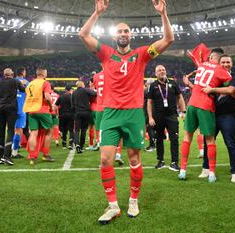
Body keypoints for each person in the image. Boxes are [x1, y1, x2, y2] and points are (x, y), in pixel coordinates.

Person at [78, 0, 174, 224]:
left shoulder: (142, 54)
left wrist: (163, 13)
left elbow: (168, 39)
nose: (123, 33)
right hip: (111, 113)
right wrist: (97, 12)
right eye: (120, 31)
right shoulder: (106, 53)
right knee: (104, 160)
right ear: (115, 36)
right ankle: (113, 206)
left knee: (134, 159)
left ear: (131, 35)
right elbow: (83, 34)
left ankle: (133, 200)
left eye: (126, 31)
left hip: (132, 114)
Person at [180, 48, 232, 182]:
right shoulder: (221, 70)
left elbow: (199, 84)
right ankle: (212, 173)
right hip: (206, 105)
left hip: (192, 103)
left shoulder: (202, 65)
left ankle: (183, 170)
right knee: (210, 140)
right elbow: (229, 83)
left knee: (187, 137)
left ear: (210, 57)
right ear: (219, 60)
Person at [200, 54, 235, 183]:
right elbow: (204, 91)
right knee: (208, 143)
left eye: (228, 62)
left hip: (227, 115)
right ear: (219, 64)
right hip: (212, 114)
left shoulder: (234, 77)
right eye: (223, 62)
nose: (225, 64)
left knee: (230, 143)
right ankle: (206, 168)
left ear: (232, 63)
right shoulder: (214, 75)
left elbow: (232, 90)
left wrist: (214, 89)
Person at [147, 65, 186, 171]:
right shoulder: (153, 85)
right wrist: (150, 117)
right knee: (159, 139)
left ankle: (174, 162)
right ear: (156, 74)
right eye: (159, 70)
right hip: (158, 116)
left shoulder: (173, 83)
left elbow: (180, 97)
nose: (162, 71)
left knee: (174, 139)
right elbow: (149, 102)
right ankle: (160, 161)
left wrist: (183, 111)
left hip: (172, 115)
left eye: (163, 70)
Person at [23, 67, 55, 164]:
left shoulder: (30, 84)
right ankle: (45, 155)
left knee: (33, 133)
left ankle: (32, 157)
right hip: (43, 109)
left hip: (31, 111)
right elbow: (47, 97)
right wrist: (51, 106)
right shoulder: (45, 83)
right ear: (43, 74)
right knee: (49, 132)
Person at [0, 68, 26, 165]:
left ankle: (0, 157)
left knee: (1, 131)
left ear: (4, 74)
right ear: (12, 74)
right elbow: (23, 89)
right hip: (11, 108)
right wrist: (23, 83)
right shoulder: (15, 81)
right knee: (10, 130)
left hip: (1, 107)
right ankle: (7, 156)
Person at [71, 80, 96, 154]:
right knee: (84, 130)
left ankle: (77, 144)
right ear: (82, 85)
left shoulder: (74, 93)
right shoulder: (85, 90)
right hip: (86, 112)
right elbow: (94, 93)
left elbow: (72, 106)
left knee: (77, 130)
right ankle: (81, 146)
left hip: (78, 113)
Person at [11, 67, 29, 158]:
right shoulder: (26, 82)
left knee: (12, 130)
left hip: (11, 109)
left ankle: (13, 148)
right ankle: (14, 152)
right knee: (19, 130)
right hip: (21, 109)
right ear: (23, 73)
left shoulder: (12, 81)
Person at [55, 85, 75, 149]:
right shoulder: (72, 96)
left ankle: (64, 144)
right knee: (71, 129)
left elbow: (56, 105)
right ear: (70, 90)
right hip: (71, 115)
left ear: (65, 90)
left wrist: (56, 113)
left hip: (62, 115)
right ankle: (70, 144)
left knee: (64, 130)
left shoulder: (61, 96)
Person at [144, 78, 156, 152]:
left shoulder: (147, 90)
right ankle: (152, 144)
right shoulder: (156, 89)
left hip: (149, 111)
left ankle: (152, 145)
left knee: (150, 128)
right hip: (155, 111)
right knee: (152, 128)